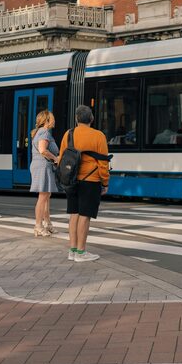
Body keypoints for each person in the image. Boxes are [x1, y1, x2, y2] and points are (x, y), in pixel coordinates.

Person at [58, 105, 110, 263]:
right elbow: (103, 162)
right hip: (91, 180)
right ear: (92, 119)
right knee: (85, 216)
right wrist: (105, 182)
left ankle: (72, 250)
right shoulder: (98, 136)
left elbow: (62, 158)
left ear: (76, 119)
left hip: (71, 180)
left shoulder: (69, 134)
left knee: (74, 214)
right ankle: (81, 252)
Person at [30, 110, 59, 237]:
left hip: (42, 166)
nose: (54, 120)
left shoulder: (39, 132)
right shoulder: (44, 132)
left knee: (46, 196)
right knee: (43, 197)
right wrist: (56, 158)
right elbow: (42, 150)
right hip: (43, 166)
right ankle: (38, 226)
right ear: (47, 120)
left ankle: (47, 223)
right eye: (52, 118)